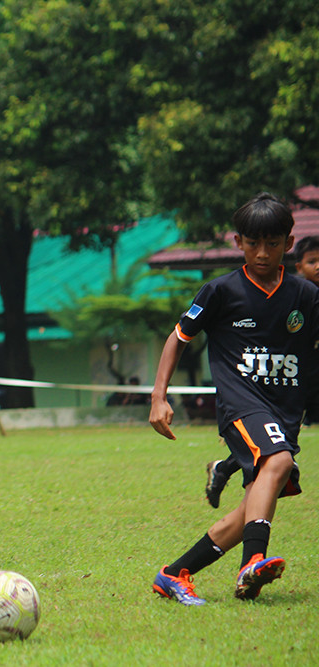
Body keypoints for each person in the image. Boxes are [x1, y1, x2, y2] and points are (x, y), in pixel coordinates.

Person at [149, 193, 319, 605]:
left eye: (273, 243)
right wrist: (159, 397)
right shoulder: (220, 291)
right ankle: (252, 562)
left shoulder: (305, 296)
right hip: (241, 405)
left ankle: (174, 573)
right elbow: (178, 337)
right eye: (254, 243)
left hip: (286, 412)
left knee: (250, 508)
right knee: (276, 462)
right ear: (238, 241)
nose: (263, 253)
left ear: (289, 243)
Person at [203, 234, 319, 508]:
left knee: (277, 455)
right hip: (272, 385)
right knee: (276, 457)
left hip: (303, 385)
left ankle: (224, 471)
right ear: (298, 266)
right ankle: (251, 542)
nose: (318, 267)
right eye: (312, 261)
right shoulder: (290, 296)